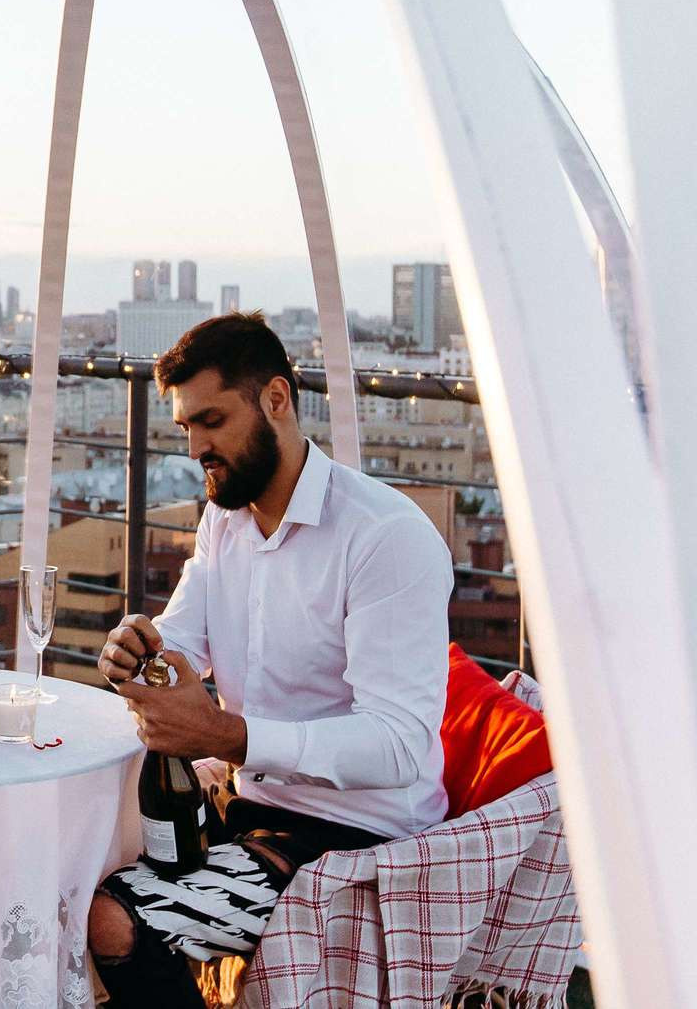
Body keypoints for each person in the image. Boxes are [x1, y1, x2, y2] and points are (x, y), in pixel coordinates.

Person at [89, 313, 452, 1007]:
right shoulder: (225, 516)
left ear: (277, 401)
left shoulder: (384, 538)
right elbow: (182, 642)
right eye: (186, 428)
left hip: (358, 833)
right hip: (248, 801)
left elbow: (401, 745)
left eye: (212, 420)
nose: (196, 447)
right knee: (65, 863)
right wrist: (136, 651)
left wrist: (226, 736)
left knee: (113, 917)